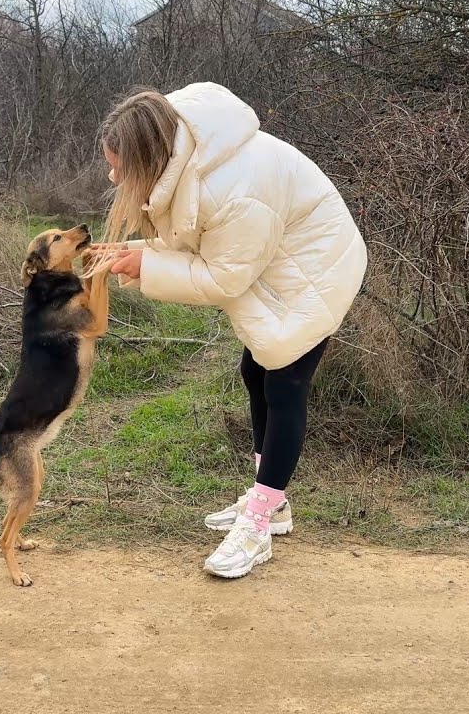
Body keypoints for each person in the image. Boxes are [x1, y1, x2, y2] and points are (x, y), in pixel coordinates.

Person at [90, 82, 366, 578]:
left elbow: (222, 276)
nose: (113, 175)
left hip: (315, 272)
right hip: (280, 263)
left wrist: (144, 265)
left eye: (119, 166)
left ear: (151, 156)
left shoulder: (234, 189)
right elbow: (198, 238)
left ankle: (261, 522)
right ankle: (271, 500)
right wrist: (140, 253)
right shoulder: (191, 161)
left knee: (285, 381)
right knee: (254, 370)